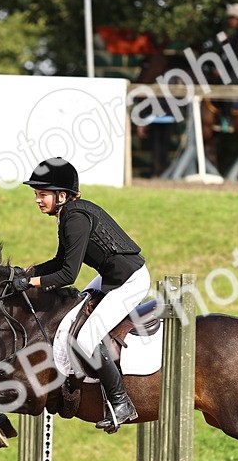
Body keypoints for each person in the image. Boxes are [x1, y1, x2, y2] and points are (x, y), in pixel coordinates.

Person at [12, 158, 149, 433]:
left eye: (43, 194)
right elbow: (59, 261)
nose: (37, 200)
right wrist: (30, 272)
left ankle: (121, 403)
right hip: (111, 278)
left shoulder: (75, 219)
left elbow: (67, 275)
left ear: (62, 196)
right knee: (73, 318)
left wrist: (31, 282)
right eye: (36, 194)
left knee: (87, 339)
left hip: (130, 281)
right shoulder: (68, 215)